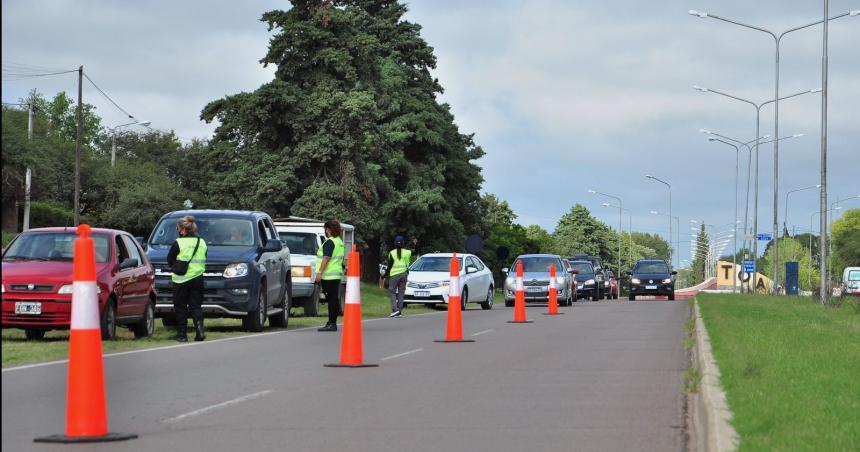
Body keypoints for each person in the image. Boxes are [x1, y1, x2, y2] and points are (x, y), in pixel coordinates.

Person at [167, 215, 208, 342]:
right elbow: (204, 256)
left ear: (183, 229)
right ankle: (200, 331)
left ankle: (182, 335)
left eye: (178, 228)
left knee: (181, 307)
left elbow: (170, 259)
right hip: (197, 278)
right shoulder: (201, 242)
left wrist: (177, 266)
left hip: (181, 280)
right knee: (196, 306)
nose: (178, 231)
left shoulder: (179, 242)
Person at [316, 219, 345, 331]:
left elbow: (326, 258)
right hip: (336, 275)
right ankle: (331, 322)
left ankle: (332, 324)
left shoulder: (330, 242)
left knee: (331, 300)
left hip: (328, 276)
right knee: (334, 299)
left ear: (328, 229)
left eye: (325, 229)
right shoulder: (339, 242)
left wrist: (319, 272)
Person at [383, 235, 412, 317]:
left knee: (392, 292)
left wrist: (384, 275)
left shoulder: (392, 253)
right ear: (403, 243)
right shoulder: (407, 252)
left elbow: (389, 266)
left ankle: (395, 310)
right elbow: (416, 252)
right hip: (404, 275)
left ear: (395, 244)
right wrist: (415, 244)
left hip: (394, 275)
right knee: (401, 293)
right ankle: (399, 312)